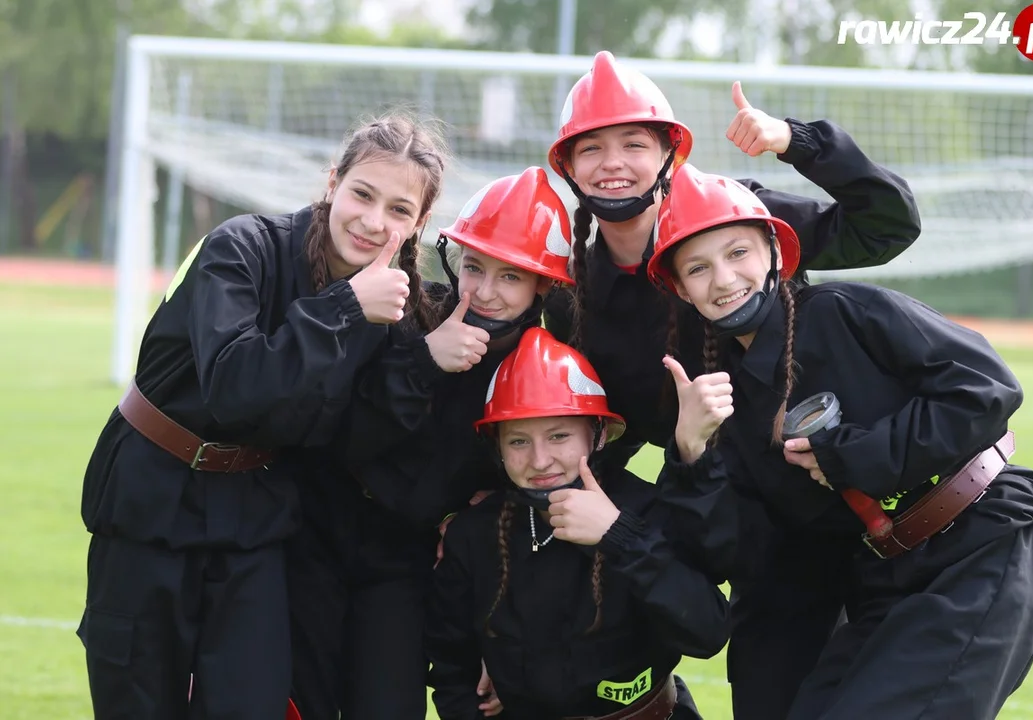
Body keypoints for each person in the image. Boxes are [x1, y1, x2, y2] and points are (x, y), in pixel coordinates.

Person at [542, 50, 923, 718]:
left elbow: (884, 226)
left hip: (864, 502)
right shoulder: (573, 296)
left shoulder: (732, 219)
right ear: (567, 167)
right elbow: (599, 437)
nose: (613, 162)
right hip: (754, 537)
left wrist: (795, 142)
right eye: (591, 147)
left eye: (634, 142)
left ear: (670, 154)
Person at [647, 164, 1033, 719]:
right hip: (883, 579)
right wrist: (691, 452)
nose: (723, 280)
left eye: (738, 253)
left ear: (776, 252)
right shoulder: (724, 399)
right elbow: (741, 544)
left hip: (976, 551)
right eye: (698, 268)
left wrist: (856, 456)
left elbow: (985, 391)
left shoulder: (849, 311)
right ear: (680, 289)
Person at [76, 112, 448, 719]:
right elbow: (234, 386)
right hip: (152, 493)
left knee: (253, 703)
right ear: (333, 182)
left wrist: (427, 359)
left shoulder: (396, 300)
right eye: (362, 193)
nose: (374, 221)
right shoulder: (241, 245)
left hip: (256, 514)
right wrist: (347, 310)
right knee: (139, 702)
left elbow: (356, 434)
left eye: (399, 210)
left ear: (420, 223)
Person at [286, 167, 577, 720]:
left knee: (388, 704)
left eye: (510, 277)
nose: (485, 292)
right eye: (474, 268)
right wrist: (424, 361)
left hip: (409, 559)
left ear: (542, 285)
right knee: (308, 701)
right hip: (316, 536)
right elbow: (340, 436)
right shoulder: (405, 314)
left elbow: (547, 475)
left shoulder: (544, 367)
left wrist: (487, 510)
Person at [427, 326, 731, 719]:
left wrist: (618, 535)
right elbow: (453, 671)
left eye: (558, 436)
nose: (539, 461)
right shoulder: (473, 534)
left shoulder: (645, 506)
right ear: (497, 448)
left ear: (597, 434)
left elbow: (707, 632)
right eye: (518, 441)